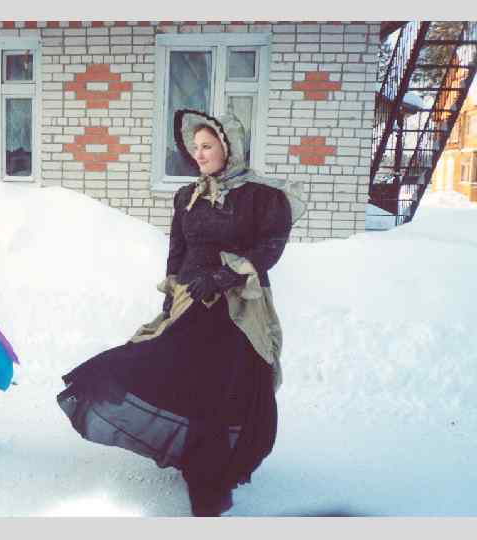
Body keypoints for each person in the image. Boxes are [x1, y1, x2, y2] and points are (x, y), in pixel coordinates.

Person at [57, 109, 306, 516]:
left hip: (238, 309)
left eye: (207, 146)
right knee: (167, 372)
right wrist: (171, 295)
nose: (199, 154)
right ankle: (200, 463)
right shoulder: (187, 196)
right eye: (195, 148)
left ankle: (210, 481)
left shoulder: (261, 197)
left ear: (229, 148)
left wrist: (224, 276)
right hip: (191, 303)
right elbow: (178, 249)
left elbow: (269, 248)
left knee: (221, 392)